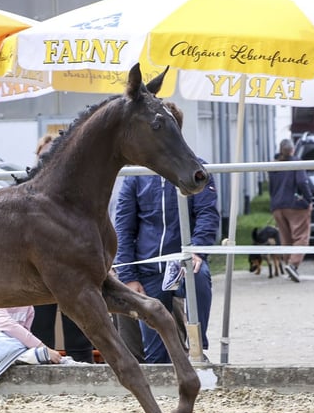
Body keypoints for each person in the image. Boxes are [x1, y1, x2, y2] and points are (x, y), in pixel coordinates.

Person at [114, 102, 220, 364]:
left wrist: (197, 251)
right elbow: (123, 226)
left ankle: (197, 348)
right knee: (157, 354)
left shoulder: (199, 170)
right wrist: (128, 275)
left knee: (199, 277)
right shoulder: (136, 176)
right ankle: (161, 385)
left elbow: (208, 214)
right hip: (150, 267)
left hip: (184, 264)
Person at [29, 134, 95, 364]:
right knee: (42, 329)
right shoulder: (24, 191)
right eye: (43, 156)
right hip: (38, 272)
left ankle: (85, 372)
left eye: (52, 155)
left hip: (70, 271)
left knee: (79, 331)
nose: (47, 160)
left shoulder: (77, 192)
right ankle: (42, 375)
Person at [269, 138, 312, 283]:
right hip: (294, 205)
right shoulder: (296, 162)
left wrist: (274, 203)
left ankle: (287, 263)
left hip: (277, 206)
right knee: (301, 236)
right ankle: (293, 265)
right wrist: (308, 199)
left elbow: (271, 188)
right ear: (292, 150)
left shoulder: (273, 165)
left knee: (285, 238)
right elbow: (301, 182)